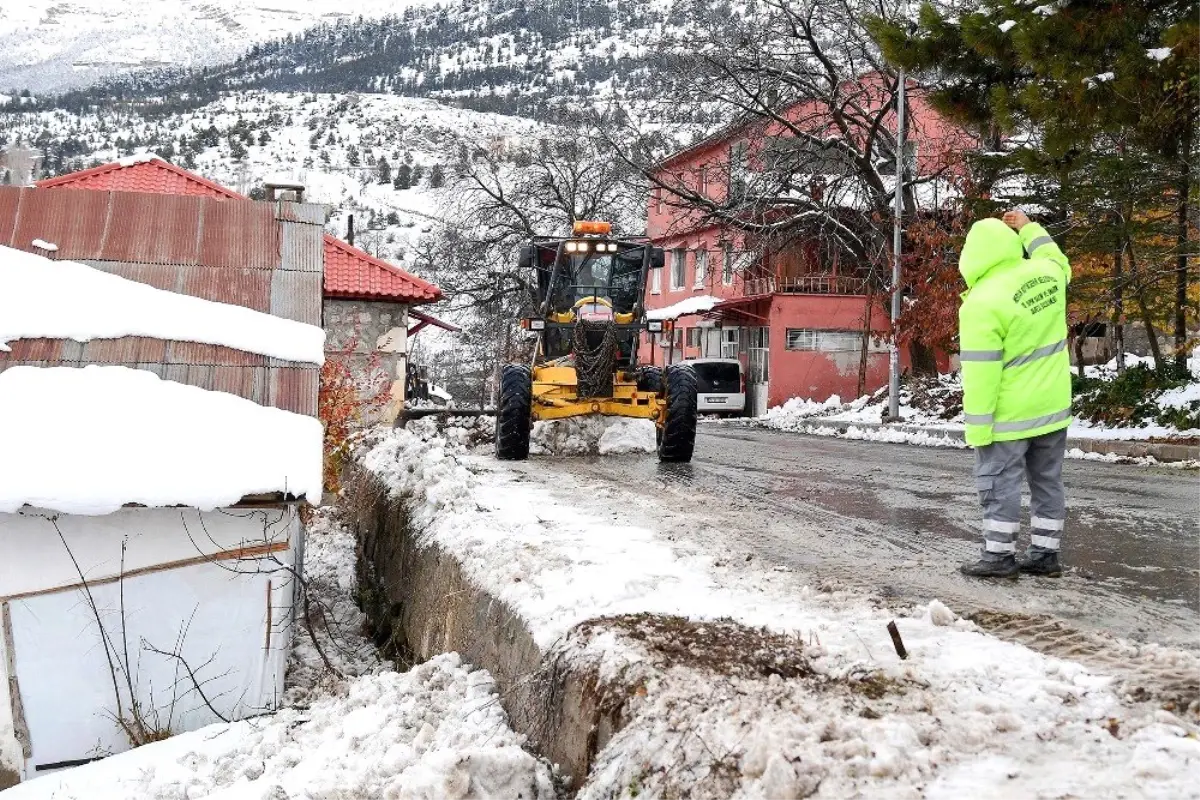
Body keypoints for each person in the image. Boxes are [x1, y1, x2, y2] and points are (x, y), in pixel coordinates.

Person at [958, 209, 1072, 578]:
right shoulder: (1047, 275)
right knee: (1047, 481)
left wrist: (978, 429)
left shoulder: (981, 303)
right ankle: (1045, 554)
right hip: (1054, 407)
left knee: (998, 482)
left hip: (1009, 416)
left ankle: (998, 556)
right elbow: (1055, 256)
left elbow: (981, 373)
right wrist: (1029, 227)